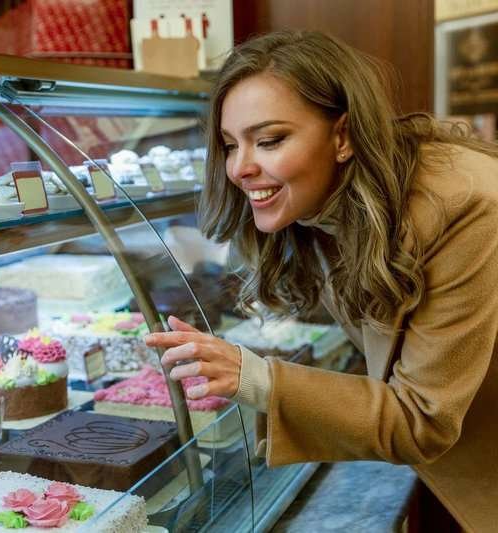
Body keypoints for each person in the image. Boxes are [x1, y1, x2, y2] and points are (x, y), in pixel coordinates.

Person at [144, 30, 498, 532]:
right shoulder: (334, 200)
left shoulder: (464, 207)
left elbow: (422, 420)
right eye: (229, 145)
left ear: (343, 135)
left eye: (269, 140)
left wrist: (256, 376)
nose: (241, 168)